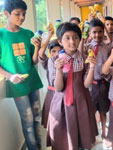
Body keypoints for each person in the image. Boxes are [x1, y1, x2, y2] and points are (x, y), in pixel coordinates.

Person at [47, 22, 98, 150]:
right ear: (60, 41)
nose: (72, 41)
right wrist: (59, 70)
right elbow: (58, 88)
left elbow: (87, 84)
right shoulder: (53, 60)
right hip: (62, 103)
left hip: (81, 102)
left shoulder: (84, 59)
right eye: (67, 38)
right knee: (63, 136)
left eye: (75, 37)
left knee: (82, 134)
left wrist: (92, 68)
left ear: (80, 39)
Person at [0, 0, 43, 149]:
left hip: (32, 81)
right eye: (17, 14)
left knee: (37, 117)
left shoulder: (28, 34)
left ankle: (39, 145)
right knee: (28, 120)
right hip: (17, 86)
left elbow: (34, 61)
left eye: (24, 14)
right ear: (6, 14)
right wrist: (10, 76)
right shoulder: (1, 35)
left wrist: (37, 47)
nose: (22, 17)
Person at [83, 19, 112, 142]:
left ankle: (104, 133)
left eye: (100, 32)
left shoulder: (106, 48)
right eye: (94, 32)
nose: (97, 35)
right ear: (90, 33)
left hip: (104, 84)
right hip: (91, 85)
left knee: (103, 110)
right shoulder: (86, 47)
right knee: (91, 111)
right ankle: (92, 135)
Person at [38, 26, 62, 128]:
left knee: (62, 119)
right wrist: (49, 36)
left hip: (62, 94)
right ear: (50, 52)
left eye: (59, 51)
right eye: (53, 51)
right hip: (51, 95)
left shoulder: (66, 62)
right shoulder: (48, 62)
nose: (56, 54)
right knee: (52, 121)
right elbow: (40, 53)